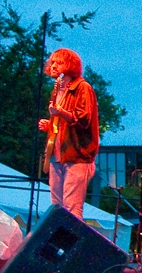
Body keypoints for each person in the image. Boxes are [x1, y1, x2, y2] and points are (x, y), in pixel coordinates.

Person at [38, 48, 99, 220]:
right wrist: (49, 125)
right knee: (56, 207)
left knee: (73, 208)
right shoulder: (57, 89)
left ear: (70, 65)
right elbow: (62, 124)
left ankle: (74, 247)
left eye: (59, 62)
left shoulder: (82, 88)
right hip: (57, 155)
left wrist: (60, 112)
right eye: (53, 62)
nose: (54, 65)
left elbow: (83, 120)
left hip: (77, 155)